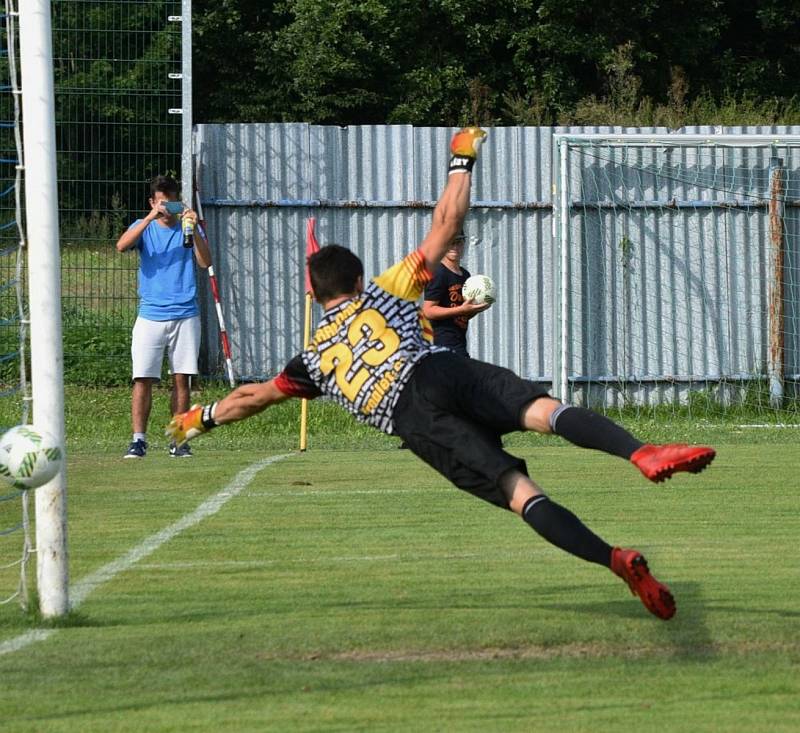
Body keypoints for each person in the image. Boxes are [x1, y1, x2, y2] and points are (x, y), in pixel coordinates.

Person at [166, 128, 715, 620]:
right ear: (358, 279)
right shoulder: (385, 291)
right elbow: (446, 223)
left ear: (316, 294)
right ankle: (641, 453)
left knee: (521, 493)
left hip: (416, 420)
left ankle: (616, 561)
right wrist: (460, 159)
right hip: (439, 369)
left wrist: (200, 418)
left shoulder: (312, 361)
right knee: (544, 411)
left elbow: (253, 398)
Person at [116, 174, 212, 459]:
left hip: (185, 314)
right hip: (150, 315)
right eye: (161, 203)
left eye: (170, 203)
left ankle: (179, 440)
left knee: (182, 379)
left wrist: (193, 229)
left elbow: (206, 262)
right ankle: (138, 440)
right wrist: (149, 218)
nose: (166, 209)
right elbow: (121, 246)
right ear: (153, 202)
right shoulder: (143, 227)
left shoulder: (188, 227)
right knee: (142, 378)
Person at [422, 230, 490, 358]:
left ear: (464, 244)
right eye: (450, 242)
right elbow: (428, 311)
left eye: (458, 242)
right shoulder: (438, 272)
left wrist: (475, 309)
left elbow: (461, 315)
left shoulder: (465, 275)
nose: (454, 247)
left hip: (458, 342)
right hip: (442, 343)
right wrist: (461, 309)